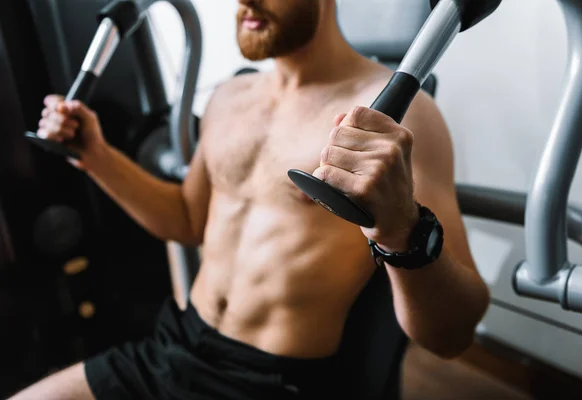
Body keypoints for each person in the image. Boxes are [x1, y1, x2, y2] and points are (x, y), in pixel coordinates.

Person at [11, 0, 490, 399]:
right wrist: (94, 155)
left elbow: (452, 336)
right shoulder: (228, 96)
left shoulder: (399, 121)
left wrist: (402, 227)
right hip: (175, 348)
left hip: (272, 382)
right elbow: (186, 219)